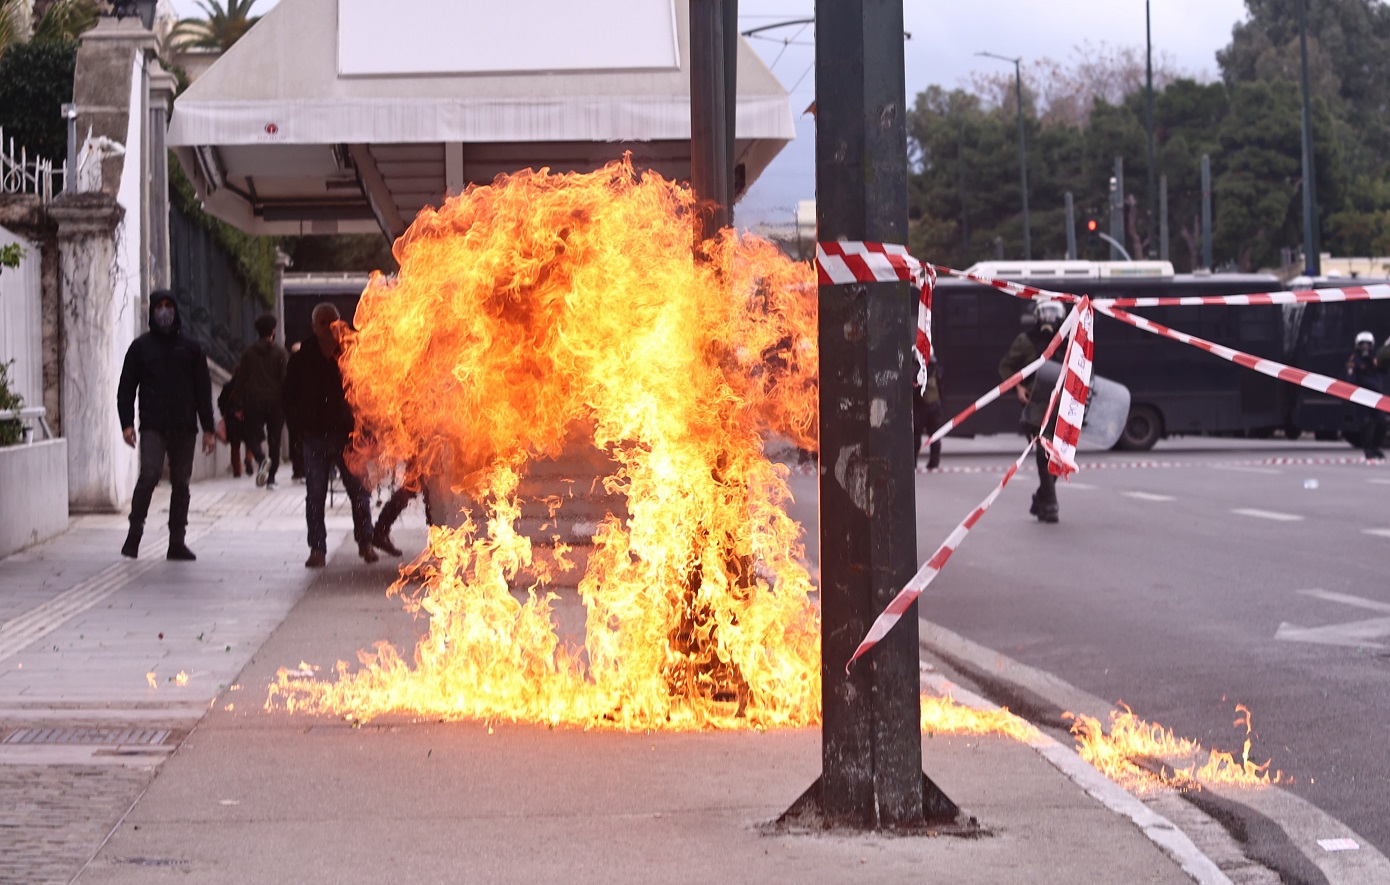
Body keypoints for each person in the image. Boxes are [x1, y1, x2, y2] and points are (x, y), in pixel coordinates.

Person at [117, 290, 216, 559]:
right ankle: (134, 534)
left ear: (176, 311)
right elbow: (126, 388)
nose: (164, 311)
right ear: (152, 312)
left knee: (181, 483)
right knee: (149, 474)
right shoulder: (141, 348)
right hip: (153, 424)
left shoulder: (192, 348)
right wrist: (127, 423)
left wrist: (209, 429)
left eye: (168, 306)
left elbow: (202, 390)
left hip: (184, 426)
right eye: (159, 306)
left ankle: (177, 541)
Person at [283, 303, 379, 568]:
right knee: (315, 495)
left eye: (332, 322)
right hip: (314, 436)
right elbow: (289, 397)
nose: (328, 328)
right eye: (322, 323)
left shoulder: (351, 354)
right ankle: (317, 549)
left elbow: (365, 394)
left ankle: (366, 543)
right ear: (314, 326)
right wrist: (299, 429)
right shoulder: (302, 358)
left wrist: (367, 430)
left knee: (359, 493)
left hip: (347, 436)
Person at [999, 299, 1066, 523]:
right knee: (1042, 453)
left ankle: (1042, 497)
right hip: (1036, 406)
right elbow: (1006, 366)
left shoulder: (1068, 342)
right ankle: (1052, 504)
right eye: (1045, 313)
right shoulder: (1026, 341)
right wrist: (1017, 386)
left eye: (1053, 314)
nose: (1049, 319)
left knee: (1058, 457)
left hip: (1063, 408)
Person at [238, 314, 289, 489]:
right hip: (276, 402)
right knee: (275, 440)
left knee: (251, 435)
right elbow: (285, 379)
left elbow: (240, 379)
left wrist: (237, 403)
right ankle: (272, 478)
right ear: (273, 331)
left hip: (254, 400)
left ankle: (260, 457)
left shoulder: (248, 353)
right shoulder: (280, 352)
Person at [1346, 330, 1386, 460]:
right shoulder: (1354, 360)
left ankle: (1376, 447)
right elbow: (1351, 378)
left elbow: (1384, 369)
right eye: (1362, 344)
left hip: (1376, 396)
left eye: (1367, 344)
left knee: (1381, 422)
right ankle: (1368, 449)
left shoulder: (1376, 358)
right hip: (1362, 396)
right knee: (1366, 423)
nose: (1365, 347)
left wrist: (1377, 362)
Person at [217, 362, 253, 478]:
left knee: (235, 446)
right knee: (250, 442)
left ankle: (237, 471)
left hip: (232, 420)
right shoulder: (249, 386)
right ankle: (248, 458)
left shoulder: (228, 386)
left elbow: (221, 402)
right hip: (247, 419)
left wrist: (227, 413)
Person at [913, 353, 943, 470]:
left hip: (921, 407)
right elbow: (941, 388)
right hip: (935, 406)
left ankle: (913, 462)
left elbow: (914, 389)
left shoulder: (918, 371)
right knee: (935, 436)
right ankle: (934, 462)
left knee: (916, 436)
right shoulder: (937, 369)